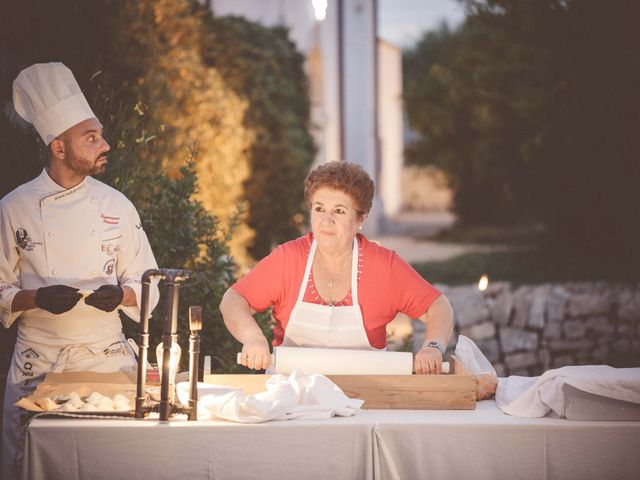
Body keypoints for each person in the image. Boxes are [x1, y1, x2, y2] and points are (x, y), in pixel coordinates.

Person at [0, 62, 159, 480]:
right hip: (39, 361)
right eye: (92, 138)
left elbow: (150, 284)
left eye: (100, 135)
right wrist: (36, 299)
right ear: (59, 148)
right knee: (31, 468)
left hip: (105, 360)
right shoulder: (13, 207)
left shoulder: (117, 206)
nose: (104, 144)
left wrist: (121, 295)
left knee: (113, 465)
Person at [220, 161, 454, 374]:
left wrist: (432, 347)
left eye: (339, 211)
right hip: (290, 398)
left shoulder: (384, 266)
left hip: (370, 399)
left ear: (361, 218)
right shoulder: (288, 259)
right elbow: (233, 300)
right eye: (319, 209)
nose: (326, 220)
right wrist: (253, 338)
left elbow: (438, 306)